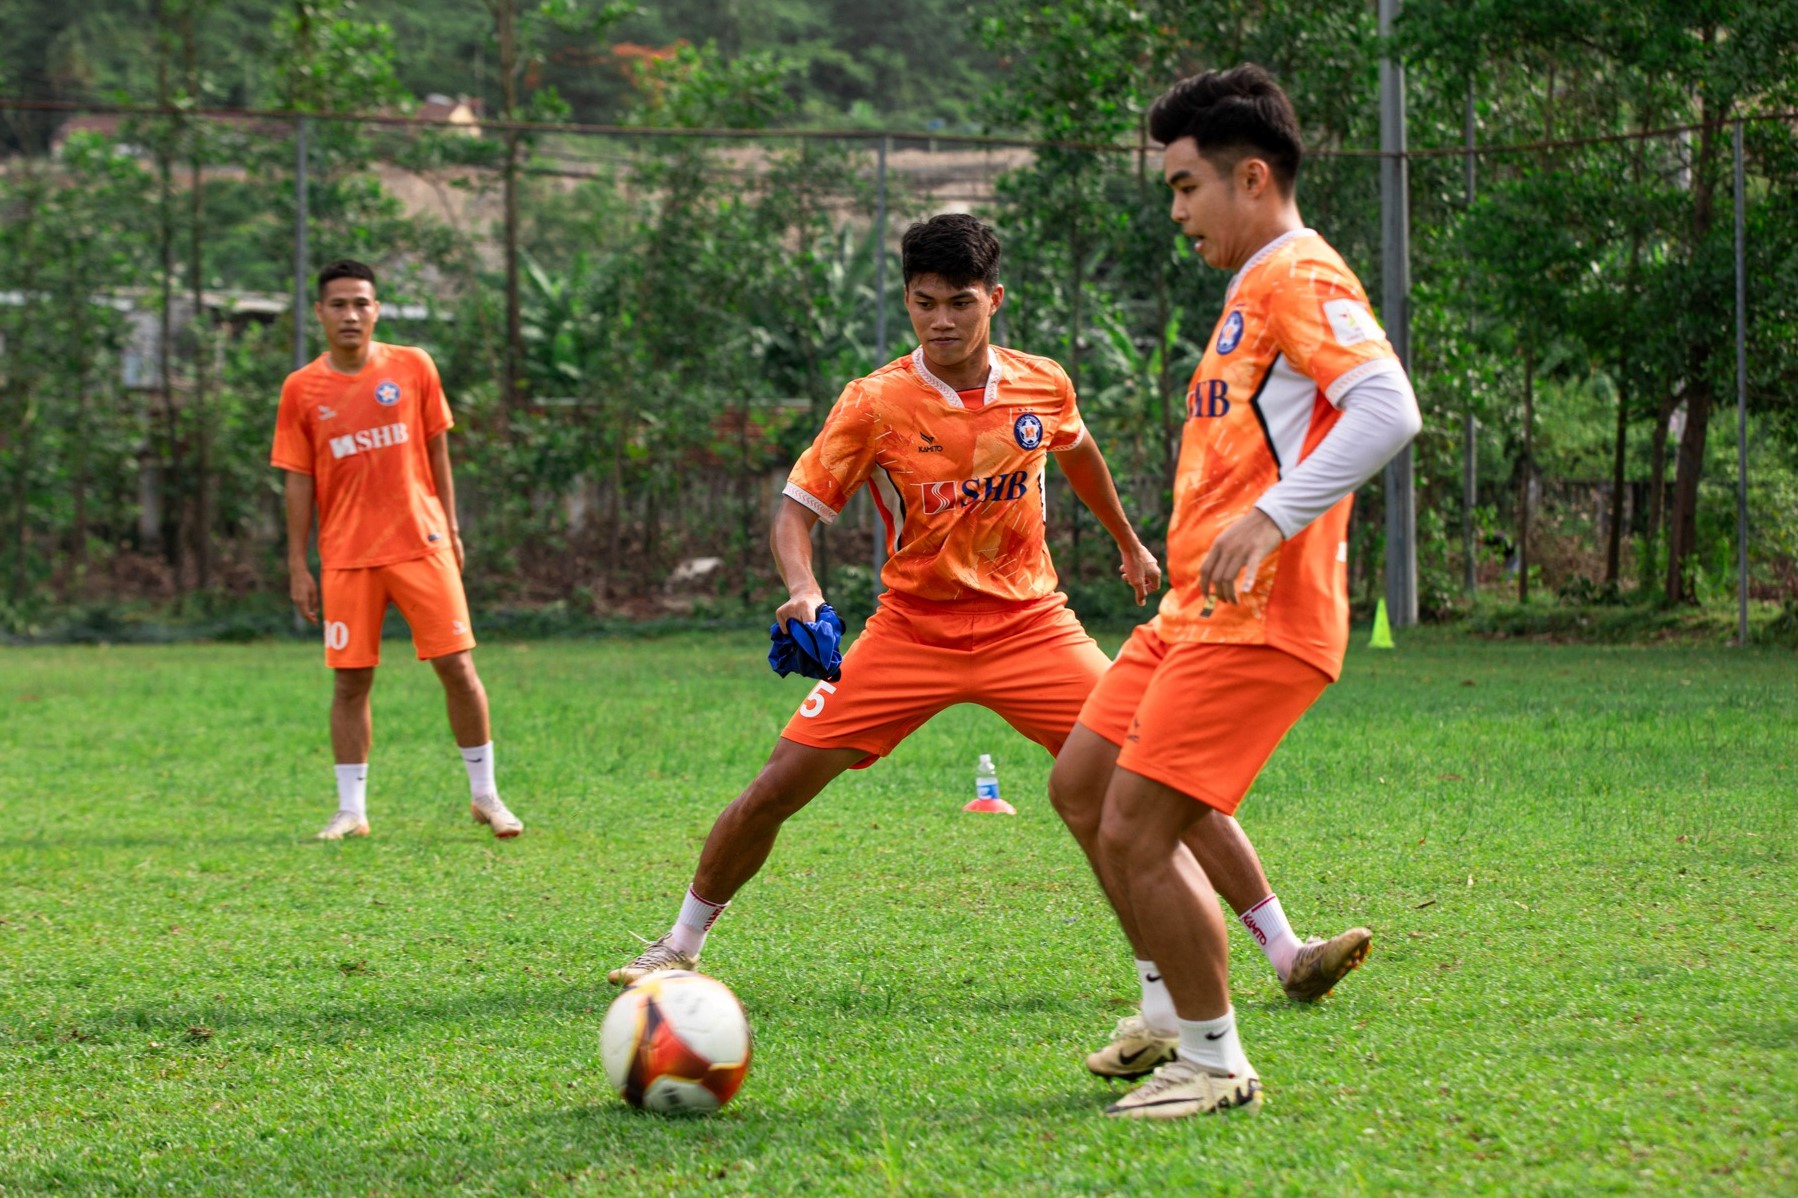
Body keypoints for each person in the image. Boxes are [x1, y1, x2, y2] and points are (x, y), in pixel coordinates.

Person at [608, 216, 1367, 1032]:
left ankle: (1289, 953)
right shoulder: (874, 402)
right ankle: (678, 945)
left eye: (960, 303)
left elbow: (1077, 453)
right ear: (906, 301)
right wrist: (804, 587)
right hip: (910, 631)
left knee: (1159, 766)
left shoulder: (1043, 384)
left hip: (1032, 627)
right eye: (924, 303)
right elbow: (797, 510)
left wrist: (1127, 541)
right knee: (773, 789)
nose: (941, 320)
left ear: (994, 300)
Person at [1051, 65, 1423, 1120]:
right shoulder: (1249, 281)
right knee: (1082, 785)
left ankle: (1213, 1061)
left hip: (1262, 619)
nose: (1175, 211)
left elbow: (1387, 408)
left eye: (1183, 187)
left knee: (1136, 828)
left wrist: (1271, 517)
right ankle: (1167, 1012)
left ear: (1250, 177)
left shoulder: (1296, 273)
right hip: (1192, 616)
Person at [271, 258, 523, 842]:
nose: (351, 314)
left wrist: (453, 527)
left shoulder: (412, 367)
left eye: (362, 303)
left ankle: (486, 796)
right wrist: (296, 564)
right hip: (345, 557)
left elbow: (437, 452)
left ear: (376, 309)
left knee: (457, 667)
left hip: (421, 545)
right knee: (349, 682)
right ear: (320, 313)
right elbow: (297, 479)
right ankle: (350, 810)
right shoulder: (301, 388)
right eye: (339, 304)